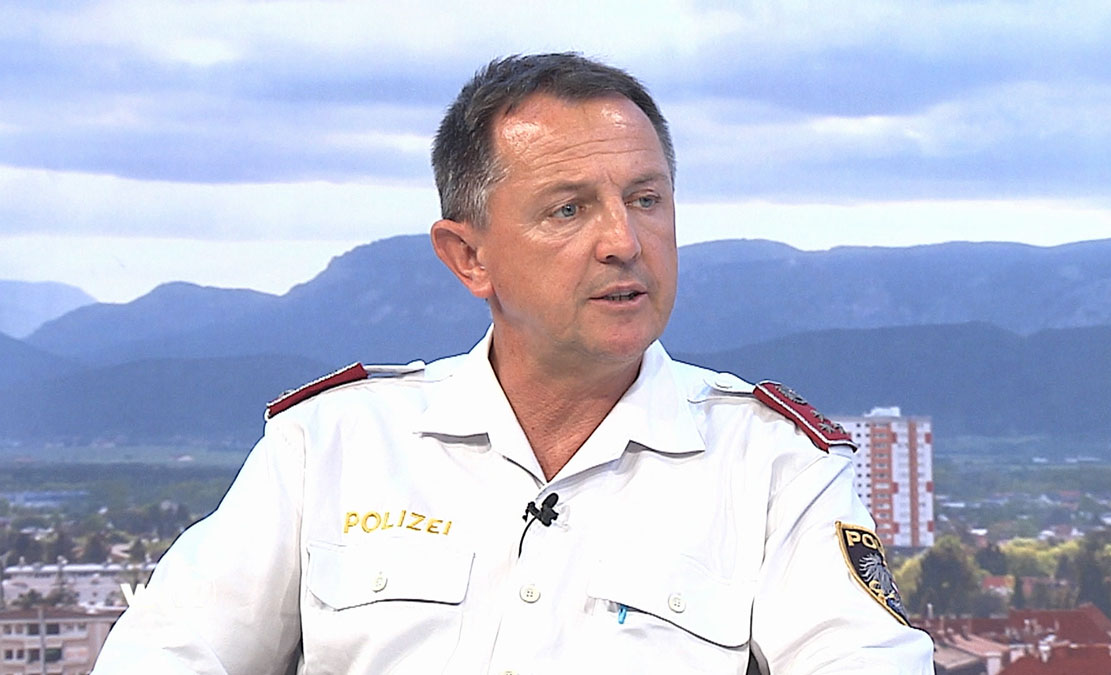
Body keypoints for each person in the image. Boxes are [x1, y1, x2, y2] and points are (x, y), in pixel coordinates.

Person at [93, 53, 934, 674]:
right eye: (569, 209)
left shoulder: (778, 466)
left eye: (646, 199)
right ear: (469, 257)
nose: (624, 241)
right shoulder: (329, 445)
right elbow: (165, 656)